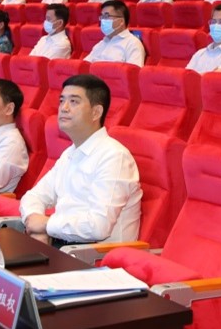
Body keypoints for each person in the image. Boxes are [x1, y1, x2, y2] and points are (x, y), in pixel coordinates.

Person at [18, 75, 142, 246]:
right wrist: (35, 223)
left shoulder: (114, 157)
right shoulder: (70, 153)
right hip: (62, 244)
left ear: (96, 112)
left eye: (74, 102)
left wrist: (47, 225)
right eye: (62, 101)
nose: (64, 108)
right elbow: (34, 196)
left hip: (95, 255)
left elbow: (98, 227)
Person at [186, 3, 221, 74]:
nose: (216, 26)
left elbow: (211, 78)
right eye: (213, 22)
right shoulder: (200, 53)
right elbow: (187, 76)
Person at [85, 1, 145, 67]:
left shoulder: (132, 43)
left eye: (106, 16)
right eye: (102, 16)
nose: (102, 20)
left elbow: (133, 71)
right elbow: (85, 65)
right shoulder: (101, 43)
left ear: (121, 21)